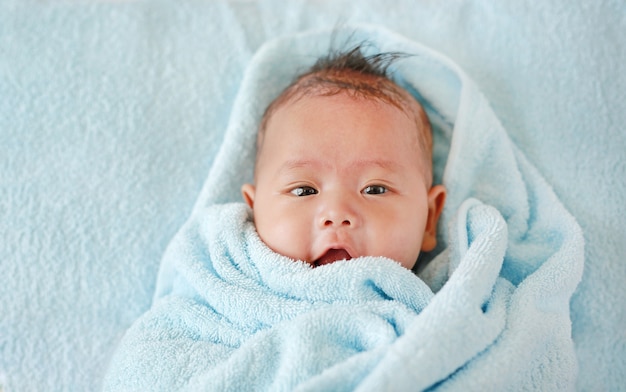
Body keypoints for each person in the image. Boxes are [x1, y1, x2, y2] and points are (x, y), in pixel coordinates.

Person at [241, 45, 446, 270]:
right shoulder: (224, 281)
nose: (337, 214)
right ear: (253, 211)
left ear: (428, 220)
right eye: (303, 190)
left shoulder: (452, 298)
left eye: (375, 189)